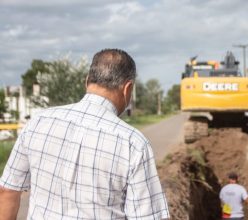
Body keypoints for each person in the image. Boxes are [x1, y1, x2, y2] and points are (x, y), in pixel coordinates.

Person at [0, 49, 170, 219]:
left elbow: (7, 192)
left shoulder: (38, 121)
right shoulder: (133, 144)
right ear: (128, 88)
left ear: (87, 81)